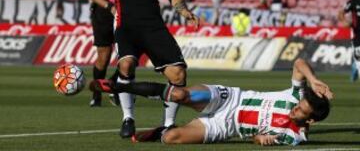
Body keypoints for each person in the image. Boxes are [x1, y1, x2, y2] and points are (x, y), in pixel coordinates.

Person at [49, 0, 199, 138]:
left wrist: (184, 11)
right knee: (126, 65)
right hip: (126, 25)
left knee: (178, 74)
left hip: (154, 27)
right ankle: (128, 118)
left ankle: (168, 124)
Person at [90, 58, 333, 145]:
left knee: (172, 139)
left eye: (301, 111)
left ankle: (162, 130)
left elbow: (258, 139)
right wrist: (313, 80)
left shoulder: (295, 136)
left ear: (310, 120)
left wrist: (262, 140)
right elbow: (299, 63)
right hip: (231, 98)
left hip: (227, 126)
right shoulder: (294, 97)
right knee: (180, 95)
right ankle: (119, 86)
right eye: (299, 104)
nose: (295, 109)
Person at [338, 0, 360, 82]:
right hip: (358, 37)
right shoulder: (355, 1)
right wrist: (345, 22)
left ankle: (355, 67)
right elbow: (341, 12)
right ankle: (356, 67)